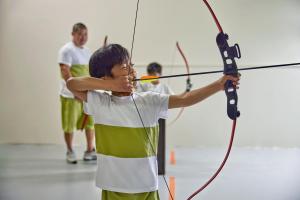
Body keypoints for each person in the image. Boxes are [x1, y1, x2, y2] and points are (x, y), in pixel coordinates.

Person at [66, 44, 239, 199]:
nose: (133, 71)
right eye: (125, 67)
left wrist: (219, 85)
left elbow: (184, 98)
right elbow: (72, 84)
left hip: (146, 187)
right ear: (105, 77)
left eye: (132, 66)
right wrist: (111, 86)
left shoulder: (149, 100)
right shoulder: (101, 103)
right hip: (113, 188)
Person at [58, 22, 96, 164]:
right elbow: (65, 72)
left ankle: (89, 150)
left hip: (86, 96)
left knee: (90, 123)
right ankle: (70, 151)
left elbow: (90, 72)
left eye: (85, 34)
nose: (83, 37)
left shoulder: (87, 51)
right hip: (70, 96)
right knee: (69, 124)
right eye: (79, 34)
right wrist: (75, 91)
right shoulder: (66, 50)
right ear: (73, 34)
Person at [137, 62, 173, 175]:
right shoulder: (144, 84)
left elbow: (174, 98)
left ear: (160, 74)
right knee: (145, 144)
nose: (153, 77)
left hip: (160, 118)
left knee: (159, 144)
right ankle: (145, 169)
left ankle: (160, 169)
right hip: (146, 117)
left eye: (156, 74)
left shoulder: (164, 87)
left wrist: (187, 90)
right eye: (150, 74)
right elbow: (136, 93)